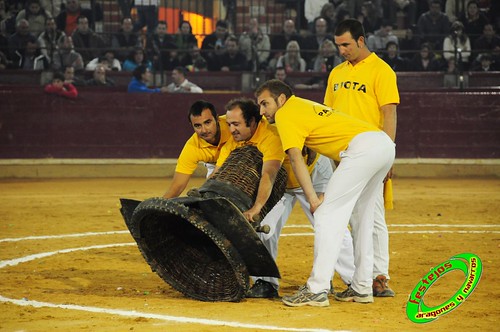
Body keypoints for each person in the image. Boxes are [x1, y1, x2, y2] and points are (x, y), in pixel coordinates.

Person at [256, 79, 395, 307]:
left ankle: (316, 289)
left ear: (281, 99)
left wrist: (312, 198)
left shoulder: (286, 112)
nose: (262, 111)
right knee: (363, 218)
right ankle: (361, 287)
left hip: (363, 149)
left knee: (325, 215)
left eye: (265, 104)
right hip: (383, 144)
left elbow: (295, 157)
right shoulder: (303, 105)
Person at [324, 19, 399, 298]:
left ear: (361, 40)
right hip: (344, 156)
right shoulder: (336, 74)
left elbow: (389, 113)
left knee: (371, 214)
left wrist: (388, 153)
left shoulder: (382, 70)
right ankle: (367, 276)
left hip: (371, 153)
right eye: (338, 45)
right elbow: (328, 116)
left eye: (345, 44)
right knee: (360, 216)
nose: (341, 50)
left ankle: (377, 276)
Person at [213, 98, 285, 224]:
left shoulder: (271, 136)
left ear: (251, 121)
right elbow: (217, 173)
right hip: (277, 185)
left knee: (322, 218)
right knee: (265, 235)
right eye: (229, 124)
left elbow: (269, 175)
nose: (231, 130)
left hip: (309, 174)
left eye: (236, 124)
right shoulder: (234, 141)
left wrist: (256, 208)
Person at [162, 100, 231, 198]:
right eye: (198, 126)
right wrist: (158, 208)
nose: (204, 130)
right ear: (192, 126)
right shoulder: (192, 146)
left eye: (207, 122)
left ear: (217, 119)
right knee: (212, 196)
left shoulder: (233, 125)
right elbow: (177, 186)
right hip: (214, 165)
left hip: (240, 159)